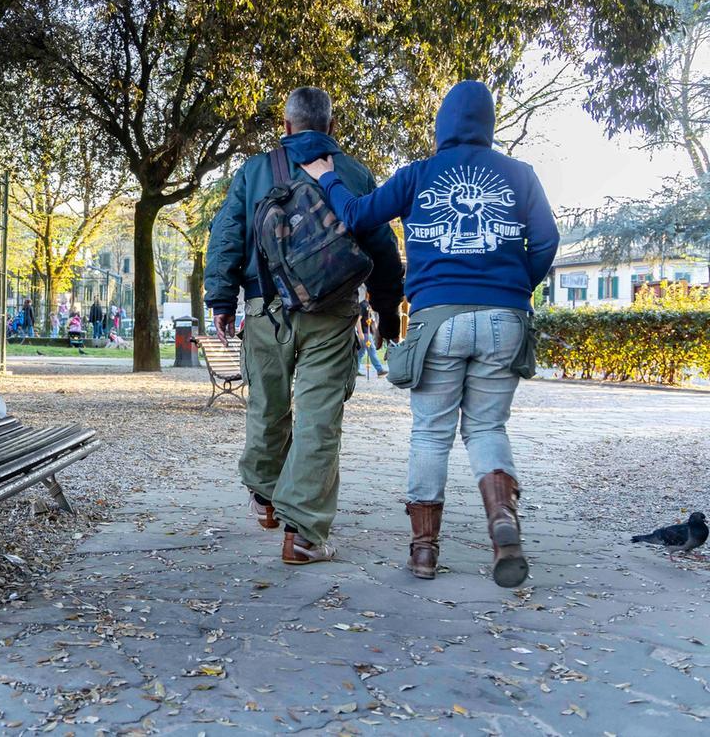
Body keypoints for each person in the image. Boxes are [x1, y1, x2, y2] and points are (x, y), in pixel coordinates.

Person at [300, 80, 559, 587]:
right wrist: (512, 288)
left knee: (430, 434)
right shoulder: (521, 175)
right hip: (505, 321)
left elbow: (354, 215)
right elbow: (547, 239)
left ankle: (423, 552)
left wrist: (328, 178)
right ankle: (503, 521)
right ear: (488, 124)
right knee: (487, 428)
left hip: (437, 321)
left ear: (442, 125)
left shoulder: (419, 174)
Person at [204, 86, 404, 565]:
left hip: (264, 309)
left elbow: (228, 234)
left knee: (267, 405)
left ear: (287, 125)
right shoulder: (352, 172)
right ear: (331, 128)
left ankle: (265, 494)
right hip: (333, 314)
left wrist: (221, 299)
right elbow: (381, 245)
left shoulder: (254, 170)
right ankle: (304, 534)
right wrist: (386, 306)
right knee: (318, 418)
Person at [354, 299, 388, 377]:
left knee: (360, 353)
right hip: (365, 333)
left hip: (367, 332)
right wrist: (360, 333)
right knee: (372, 350)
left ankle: (355, 370)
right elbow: (358, 319)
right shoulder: (363, 304)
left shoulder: (369, 305)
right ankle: (379, 370)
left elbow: (371, 320)